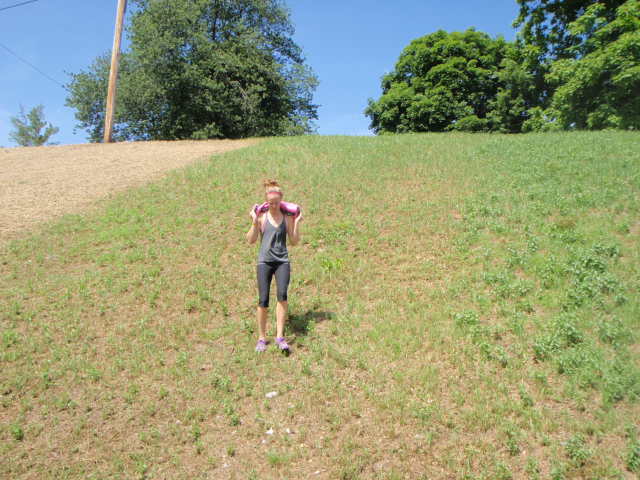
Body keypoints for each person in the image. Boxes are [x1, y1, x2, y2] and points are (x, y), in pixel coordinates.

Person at [246, 179, 303, 354]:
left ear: (281, 201)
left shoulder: (286, 218)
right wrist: (255, 222)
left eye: (276, 203)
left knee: (282, 296)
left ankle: (279, 336)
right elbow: (250, 240)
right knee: (263, 300)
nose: (273, 206)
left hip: (282, 261)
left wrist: (297, 222)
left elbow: (294, 241)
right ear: (266, 202)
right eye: (270, 203)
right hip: (264, 261)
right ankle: (262, 338)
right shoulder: (262, 218)